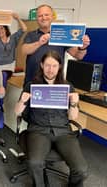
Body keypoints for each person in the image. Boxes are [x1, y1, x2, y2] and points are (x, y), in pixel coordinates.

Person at [14, 50, 88, 187]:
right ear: (42, 65)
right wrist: (22, 101)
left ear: (59, 66)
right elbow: (17, 112)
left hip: (63, 131)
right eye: (47, 65)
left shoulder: (67, 86)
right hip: (38, 130)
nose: (50, 69)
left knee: (81, 169)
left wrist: (74, 103)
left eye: (54, 66)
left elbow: (73, 117)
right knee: (34, 163)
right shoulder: (31, 85)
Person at [22, 4, 90, 86]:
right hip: (32, 82)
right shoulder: (30, 35)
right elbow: (24, 50)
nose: (43, 18)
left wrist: (82, 48)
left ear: (52, 17)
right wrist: (39, 43)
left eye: (46, 15)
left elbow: (78, 56)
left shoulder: (62, 34)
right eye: (40, 16)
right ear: (37, 19)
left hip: (55, 84)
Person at [0, 11, 27, 86]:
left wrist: (17, 18)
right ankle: (1, 96)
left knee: (3, 77)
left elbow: (24, 29)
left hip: (9, 67)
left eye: (1, 28)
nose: (0, 31)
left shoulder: (13, 38)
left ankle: (1, 96)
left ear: (6, 29)